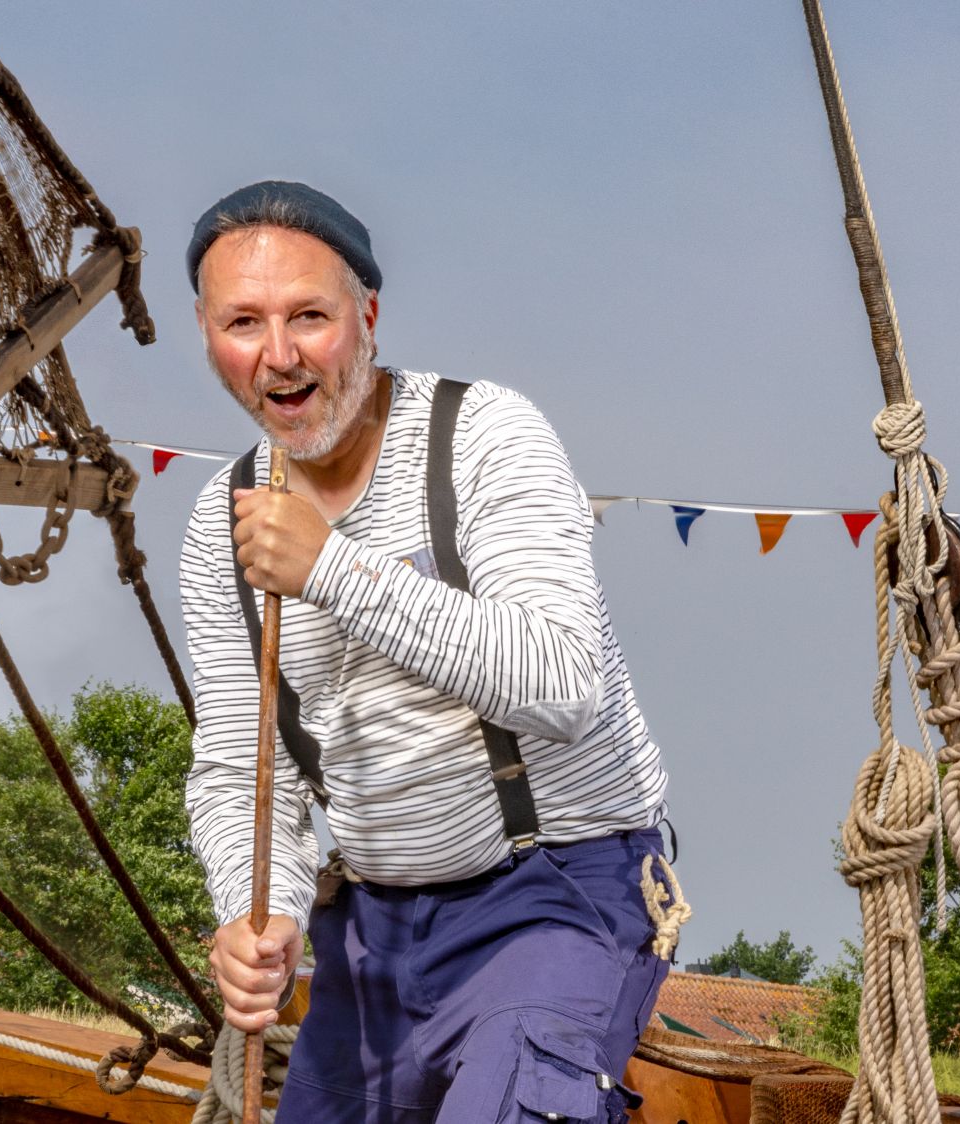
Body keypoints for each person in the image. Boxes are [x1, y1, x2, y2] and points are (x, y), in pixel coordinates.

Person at [180, 180, 675, 1123]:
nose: (278, 357)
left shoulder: (487, 436)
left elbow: (566, 680)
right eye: (243, 322)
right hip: (374, 925)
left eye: (309, 317)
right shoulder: (220, 522)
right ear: (208, 335)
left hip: (556, 893)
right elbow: (241, 768)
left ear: (366, 316)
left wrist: (331, 568)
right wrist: (269, 914)